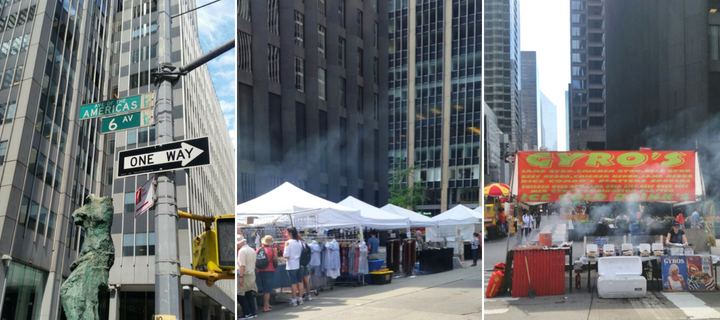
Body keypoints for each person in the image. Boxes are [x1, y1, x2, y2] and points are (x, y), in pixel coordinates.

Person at [237, 234, 258, 319]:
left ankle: (247, 312)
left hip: (245, 275)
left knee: (240, 294)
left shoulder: (242, 251)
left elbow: (242, 265)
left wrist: (241, 277)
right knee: (249, 292)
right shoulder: (251, 249)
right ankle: (253, 312)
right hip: (252, 274)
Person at [283, 227, 305, 306]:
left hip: (292, 264)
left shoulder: (288, 242)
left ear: (290, 233)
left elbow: (286, 255)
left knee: (293, 282)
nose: (286, 234)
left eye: (287, 232)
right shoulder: (300, 242)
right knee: (300, 281)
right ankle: (300, 298)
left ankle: (294, 300)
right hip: (300, 263)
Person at [255, 235, 278, 312]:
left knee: (263, 288)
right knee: (267, 290)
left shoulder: (258, 249)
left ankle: (267, 304)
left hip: (260, 270)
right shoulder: (272, 250)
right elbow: (276, 259)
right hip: (269, 270)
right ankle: (265, 307)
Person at [296, 233, 313, 302]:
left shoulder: (298, 243)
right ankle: (308, 295)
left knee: (300, 279)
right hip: (305, 262)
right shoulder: (303, 243)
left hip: (300, 262)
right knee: (305, 277)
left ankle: (300, 295)